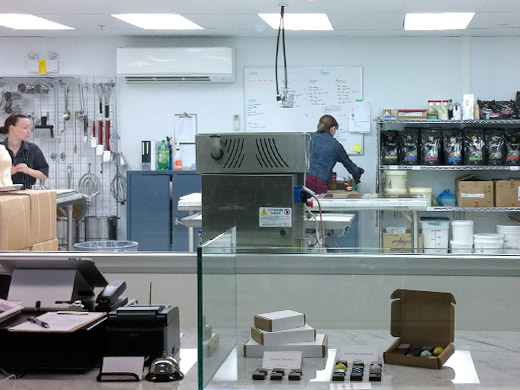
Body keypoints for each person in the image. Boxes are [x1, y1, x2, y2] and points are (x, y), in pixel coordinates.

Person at [306, 114, 364, 194]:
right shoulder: (336, 145)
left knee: (300, 205)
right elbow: (350, 165)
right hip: (318, 184)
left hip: (301, 181)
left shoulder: (307, 137)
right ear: (332, 129)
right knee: (316, 205)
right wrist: (357, 174)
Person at [0, 114, 49, 189]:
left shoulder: (33, 149)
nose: (28, 131)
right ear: (12, 128)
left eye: (29, 128)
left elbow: (44, 175)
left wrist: (28, 170)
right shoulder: (1, 149)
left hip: (26, 195)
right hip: (3, 195)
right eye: (25, 128)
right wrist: (5, 173)